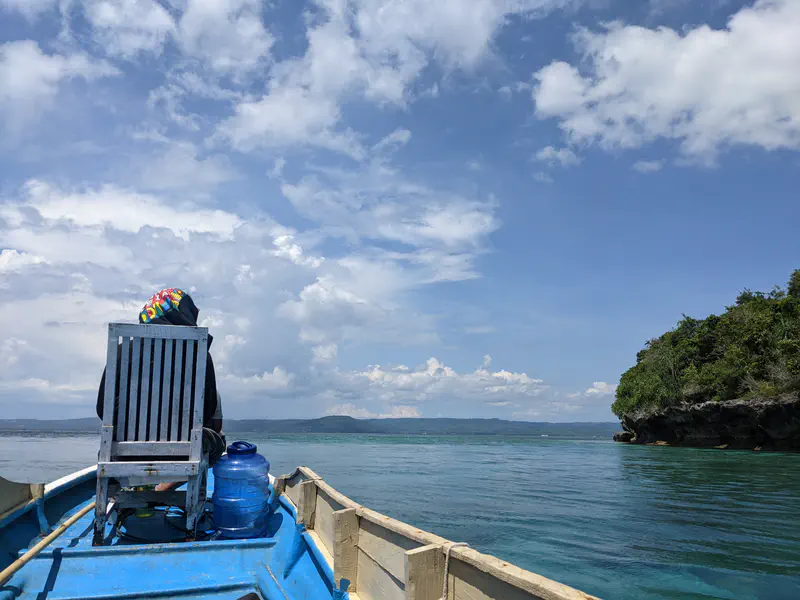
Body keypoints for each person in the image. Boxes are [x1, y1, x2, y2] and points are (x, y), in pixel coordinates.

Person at [96, 288, 226, 491]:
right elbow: (208, 408)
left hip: (122, 452)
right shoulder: (199, 354)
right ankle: (168, 491)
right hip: (184, 452)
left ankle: (132, 488)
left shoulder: (121, 352)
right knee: (218, 440)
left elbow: (102, 409)